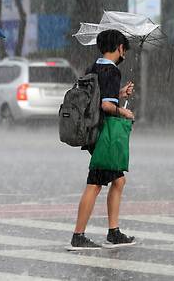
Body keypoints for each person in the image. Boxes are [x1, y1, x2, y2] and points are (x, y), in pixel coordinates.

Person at [68, 29, 136, 250]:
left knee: (117, 180)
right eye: (123, 48)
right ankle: (79, 235)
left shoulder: (93, 67)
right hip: (103, 134)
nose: (123, 53)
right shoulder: (112, 70)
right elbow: (105, 105)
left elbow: (99, 97)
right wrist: (123, 111)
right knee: (95, 184)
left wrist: (120, 93)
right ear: (119, 48)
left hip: (91, 131)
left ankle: (113, 231)